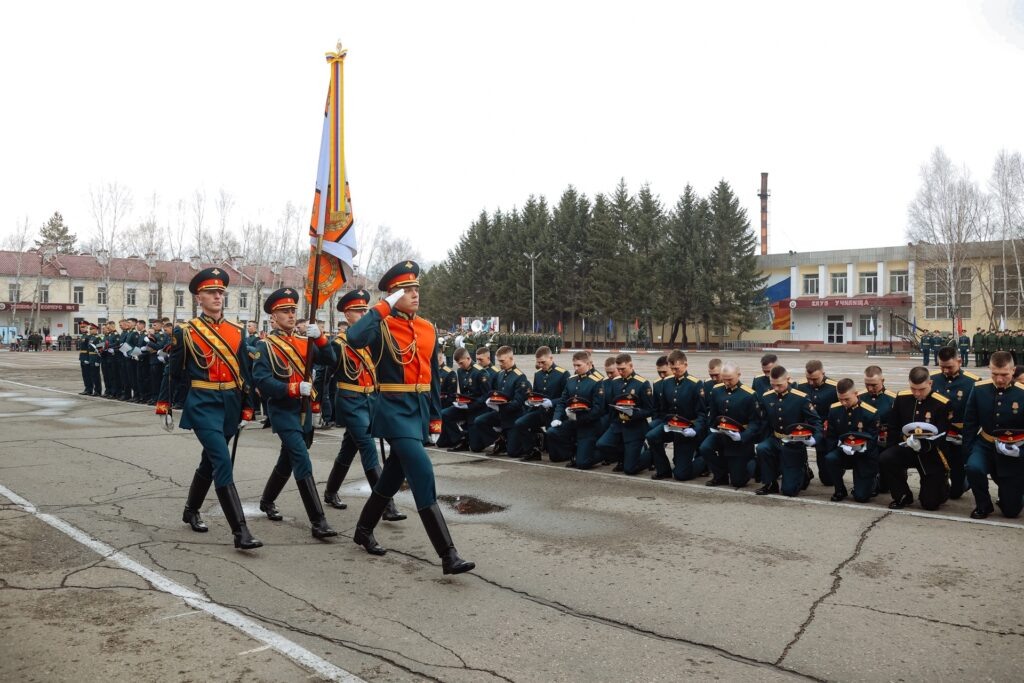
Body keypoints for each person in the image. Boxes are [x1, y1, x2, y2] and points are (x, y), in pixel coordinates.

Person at [347, 260, 474, 575]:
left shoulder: (427, 328)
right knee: (421, 470)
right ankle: (448, 554)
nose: (415, 294)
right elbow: (354, 338)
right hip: (392, 407)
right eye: (407, 290)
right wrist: (380, 309)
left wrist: (434, 415)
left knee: (393, 474)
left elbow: (431, 377)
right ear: (392, 294)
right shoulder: (380, 325)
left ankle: (363, 530)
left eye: (417, 288)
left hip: (417, 409)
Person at [156, 267, 261, 549]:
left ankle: (191, 510)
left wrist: (248, 407)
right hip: (202, 404)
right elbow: (173, 372)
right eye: (211, 292)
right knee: (222, 462)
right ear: (198, 297)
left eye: (221, 293)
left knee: (210, 461)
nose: (217, 296)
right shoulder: (187, 332)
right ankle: (241, 531)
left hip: (229, 403)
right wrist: (164, 402)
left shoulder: (237, 331)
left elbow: (245, 374)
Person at [252, 288, 338, 539]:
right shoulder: (265, 346)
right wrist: (291, 388)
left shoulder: (304, 341)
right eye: (284, 311)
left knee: (288, 459)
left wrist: (321, 338)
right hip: (283, 410)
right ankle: (318, 521)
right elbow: (263, 381)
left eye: (292, 310)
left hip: (305, 410)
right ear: (273, 317)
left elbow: (331, 360)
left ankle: (267, 501)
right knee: (301, 458)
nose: (290, 315)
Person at [321, 289, 406, 522]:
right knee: (368, 448)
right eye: (358, 312)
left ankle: (330, 491)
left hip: (370, 400)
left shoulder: (370, 341)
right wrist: (318, 341)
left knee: (349, 448)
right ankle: (386, 505)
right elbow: (325, 365)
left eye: (364, 311)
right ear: (347, 316)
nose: (363, 315)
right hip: (350, 401)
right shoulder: (339, 343)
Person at [877, 366, 952, 511]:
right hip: (907, 447)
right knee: (886, 458)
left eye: (921, 389)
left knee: (930, 504)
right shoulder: (902, 397)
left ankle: (943, 484)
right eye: (913, 389)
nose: (917, 393)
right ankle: (902, 494)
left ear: (930, 384)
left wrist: (924, 446)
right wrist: (892, 448)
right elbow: (893, 426)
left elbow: (942, 435)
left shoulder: (942, 403)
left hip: (930, 453)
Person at [963, 351, 1024, 519]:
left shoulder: (1022, 393)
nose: (999, 379)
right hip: (986, 443)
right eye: (995, 374)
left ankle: (1012, 496)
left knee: (1011, 512)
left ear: (1013, 371)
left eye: (1004, 374)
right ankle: (983, 505)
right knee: (973, 467)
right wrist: (968, 450)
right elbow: (970, 422)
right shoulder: (979, 389)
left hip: (1013, 448)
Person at [754, 365, 821, 496]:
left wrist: (813, 439)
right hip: (775, 439)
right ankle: (770, 483)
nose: (776, 389)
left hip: (794, 443)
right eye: (773, 385)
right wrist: (760, 439)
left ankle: (804, 471)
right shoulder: (767, 397)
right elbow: (764, 421)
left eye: (779, 385)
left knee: (789, 491)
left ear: (788, 379)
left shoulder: (801, 398)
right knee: (762, 448)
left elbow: (816, 422)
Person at [700, 362, 763, 488]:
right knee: (705, 448)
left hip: (739, 438)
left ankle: (753, 463)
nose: (727, 382)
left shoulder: (749, 395)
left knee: (737, 482)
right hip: (721, 433)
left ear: (738, 375)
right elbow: (713, 414)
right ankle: (720, 475)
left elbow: (755, 423)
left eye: (730, 379)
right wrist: (712, 429)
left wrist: (742, 436)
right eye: (724, 379)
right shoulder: (717, 390)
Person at [647, 350, 707, 481]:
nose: (674, 371)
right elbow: (664, 409)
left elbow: (702, 414)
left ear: (685, 364)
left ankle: (704, 461)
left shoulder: (695, 384)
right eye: (672, 368)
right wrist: (666, 423)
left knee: (681, 475)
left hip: (687, 429)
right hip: (671, 426)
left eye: (677, 368)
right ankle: (663, 470)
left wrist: (694, 430)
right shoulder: (666, 382)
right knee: (652, 436)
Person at [931, 346, 979, 499]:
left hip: (959, 437)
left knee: (955, 493)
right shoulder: (932, 379)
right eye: (942, 366)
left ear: (960, 361)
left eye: (949, 367)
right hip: (937, 435)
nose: (945, 370)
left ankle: (963, 481)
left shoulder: (973, 382)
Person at [821, 378, 879, 502]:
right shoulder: (834, 409)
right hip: (844, 450)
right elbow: (831, 436)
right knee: (830, 458)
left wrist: (860, 449)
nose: (843, 403)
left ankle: (871, 481)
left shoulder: (870, 413)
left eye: (847, 399)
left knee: (861, 497)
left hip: (863, 455)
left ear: (856, 394)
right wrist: (837, 449)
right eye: (840, 399)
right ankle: (839, 489)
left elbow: (873, 441)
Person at [596, 353, 654, 475]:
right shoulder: (615, 382)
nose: (620, 372)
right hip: (618, 424)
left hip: (635, 427)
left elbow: (649, 410)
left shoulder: (642, 383)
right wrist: (612, 424)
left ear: (631, 365)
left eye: (623, 369)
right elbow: (612, 405)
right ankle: (622, 458)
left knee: (630, 470)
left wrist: (633, 413)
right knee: (602, 444)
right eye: (619, 369)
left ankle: (652, 454)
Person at [547, 351, 606, 468]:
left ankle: (605, 454)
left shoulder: (597, 382)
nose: (575, 368)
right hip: (573, 422)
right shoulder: (571, 380)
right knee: (552, 432)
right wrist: (557, 418)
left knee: (582, 464)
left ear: (588, 364)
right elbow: (562, 402)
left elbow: (598, 410)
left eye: (579, 365)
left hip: (589, 425)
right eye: (574, 365)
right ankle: (573, 452)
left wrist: (578, 417)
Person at [468, 345, 531, 455]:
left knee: (513, 453)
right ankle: (499, 439)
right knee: (479, 421)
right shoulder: (500, 374)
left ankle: (535, 436)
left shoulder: (520, 377)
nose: (500, 364)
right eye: (498, 361)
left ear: (511, 359)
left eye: (502, 361)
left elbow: (517, 403)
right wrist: (490, 401)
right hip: (500, 414)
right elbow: (494, 393)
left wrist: (498, 407)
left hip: (513, 417)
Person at [511, 346, 569, 461]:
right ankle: (532, 451)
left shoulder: (563, 374)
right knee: (520, 423)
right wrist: (531, 402)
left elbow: (566, 399)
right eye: (539, 363)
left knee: (555, 457)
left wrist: (552, 402)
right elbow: (536, 394)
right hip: (541, 411)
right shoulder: (538, 374)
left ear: (551, 358)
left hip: (555, 414)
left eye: (543, 362)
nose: (541, 365)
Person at [797, 360, 839, 486]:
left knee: (827, 480)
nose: (811, 382)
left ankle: (836, 469)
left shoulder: (834, 387)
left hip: (826, 431)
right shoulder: (800, 386)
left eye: (815, 379)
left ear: (823, 373)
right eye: (808, 378)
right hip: (806, 427)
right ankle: (803, 469)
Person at [444, 346, 493, 452]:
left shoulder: (481, 372)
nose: (460, 366)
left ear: (468, 358)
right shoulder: (460, 371)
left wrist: (471, 405)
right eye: (458, 363)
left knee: (475, 447)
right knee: (445, 414)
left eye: (461, 363)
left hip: (477, 408)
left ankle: (489, 437)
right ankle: (461, 438)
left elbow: (486, 395)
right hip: (464, 406)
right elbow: (463, 392)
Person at [861, 365, 897, 494]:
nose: (870, 389)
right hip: (865, 443)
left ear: (883, 381)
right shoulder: (860, 398)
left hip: (885, 443)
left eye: (874, 385)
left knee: (885, 487)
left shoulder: (894, 399)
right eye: (867, 385)